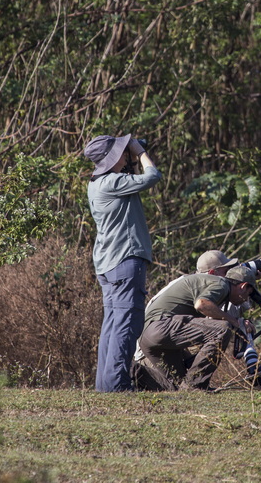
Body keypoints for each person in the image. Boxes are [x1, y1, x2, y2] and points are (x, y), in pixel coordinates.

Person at [84, 133, 161, 392]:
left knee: (112, 325)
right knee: (126, 324)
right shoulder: (113, 181)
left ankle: (106, 385)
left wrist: (132, 155)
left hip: (108, 263)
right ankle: (117, 385)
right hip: (125, 260)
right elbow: (153, 176)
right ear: (114, 158)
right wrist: (140, 153)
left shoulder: (96, 182)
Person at [136, 264, 258, 391]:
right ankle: (195, 386)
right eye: (248, 294)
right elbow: (202, 305)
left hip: (147, 336)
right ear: (243, 286)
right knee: (223, 329)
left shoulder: (213, 284)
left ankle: (130, 370)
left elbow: (209, 322)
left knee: (175, 387)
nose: (245, 300)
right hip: (161, 327)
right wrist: (236, 322)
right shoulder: (221, 284)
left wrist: (238, 321)